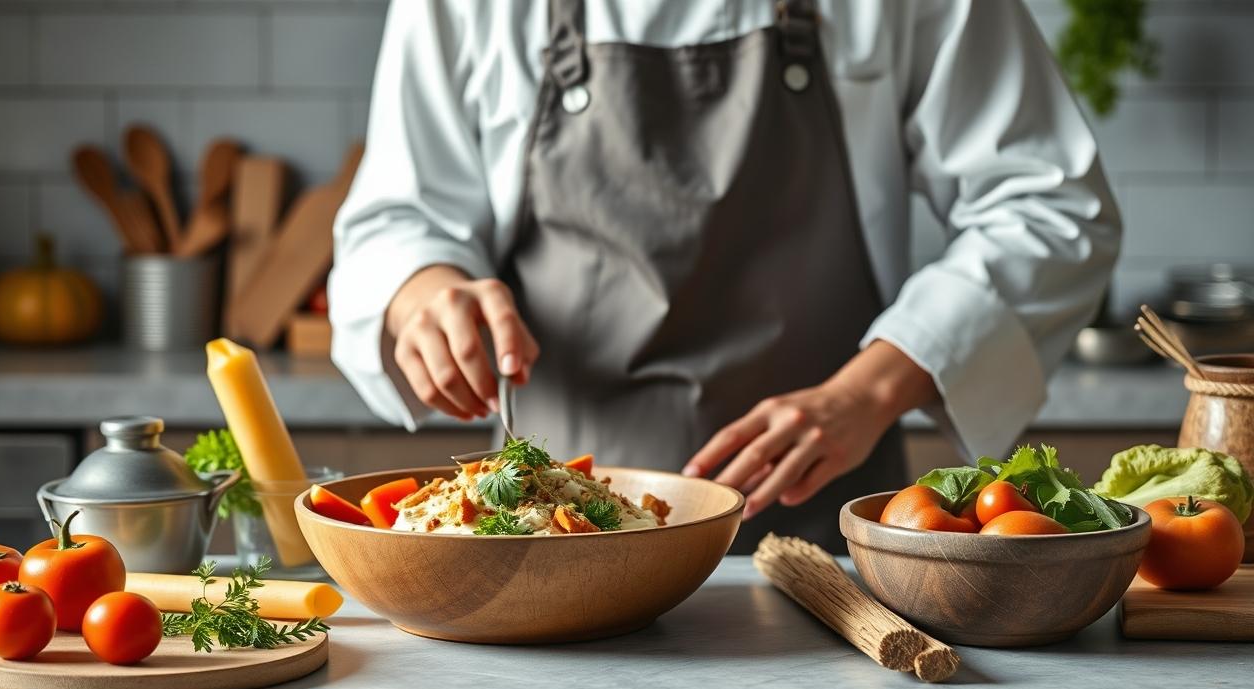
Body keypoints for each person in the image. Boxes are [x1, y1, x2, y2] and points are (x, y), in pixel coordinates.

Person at [328, 0, 1120, 553]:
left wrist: (868, 392)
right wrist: (423, 290)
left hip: (828, 546)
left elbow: (1052, 206)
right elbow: (398, 218)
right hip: (539, 550)